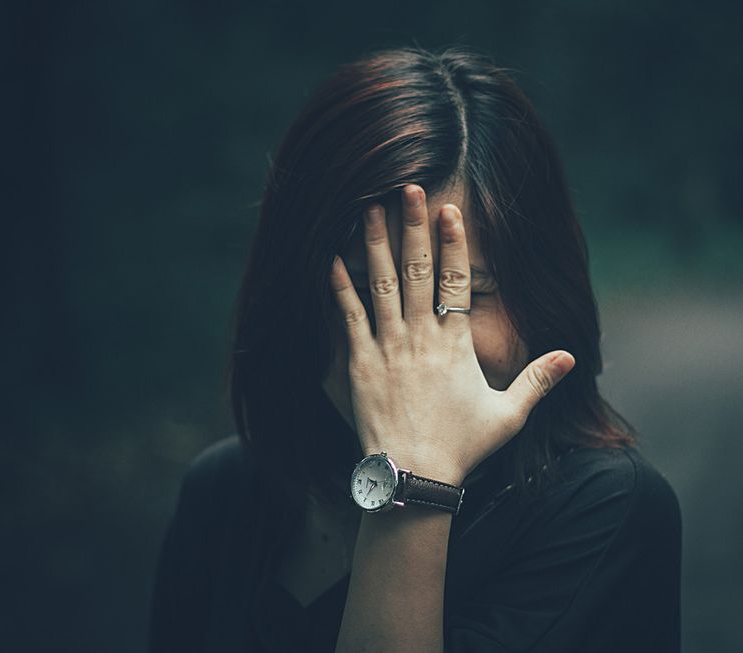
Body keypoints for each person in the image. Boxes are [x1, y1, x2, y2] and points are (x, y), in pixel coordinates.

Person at [148, 44, 681, 652]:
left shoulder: (608, 511)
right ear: (296, 299)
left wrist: (412, 482)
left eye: (464, 294)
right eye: (379, 296)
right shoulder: (223, 494)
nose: (418, 353)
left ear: (542, 297)